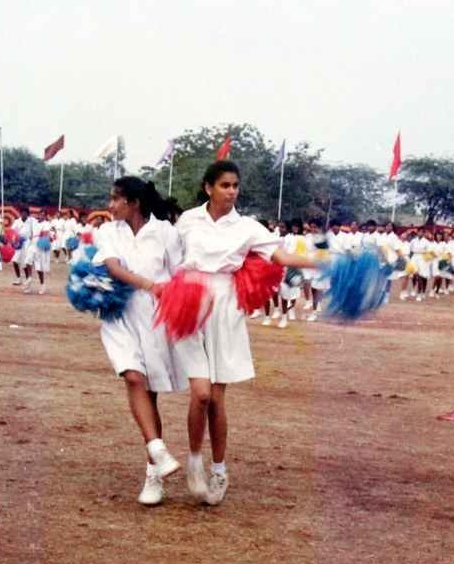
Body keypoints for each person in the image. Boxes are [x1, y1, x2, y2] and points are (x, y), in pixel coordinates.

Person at [173, 161, 320, 505]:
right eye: (224, 185)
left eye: (235, 185)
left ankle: (219, 470)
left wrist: (323, 261)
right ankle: (194, 461)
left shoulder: (248, 227)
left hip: (225, 307)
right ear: (208, 187)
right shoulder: (188, 220)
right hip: (189, 303)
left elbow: (281, 257)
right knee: (200, 394)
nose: (231, 191)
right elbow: (169, 257)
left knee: (217, 397)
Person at [95, 176, 186, 505]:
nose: (110, 205)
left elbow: (180, 273)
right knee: (132, 376)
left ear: (133, 203)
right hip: (119, 315)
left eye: (116, 199)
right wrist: (150, 285)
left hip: (154, 319)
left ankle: (153, 476)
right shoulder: (108, 231)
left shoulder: (165, 232)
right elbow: (112, 268)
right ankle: (158, 450)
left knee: (149, 393)